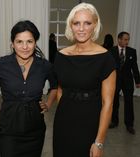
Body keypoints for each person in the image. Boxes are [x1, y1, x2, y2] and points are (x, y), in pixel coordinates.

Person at [53, 3, 116, 157]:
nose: (81, 28)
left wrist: (99, 142)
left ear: (95, 25)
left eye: (87, 23)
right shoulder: (61, 56)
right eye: (76, 23)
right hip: (63, 121)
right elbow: (60, 90)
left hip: (89, 122)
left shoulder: (105, 58)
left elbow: (108, 103)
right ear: (71, 26)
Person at [0, 20, 58, 157]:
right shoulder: (1, 65)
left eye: (29, 41)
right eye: (19, 42)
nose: (25, 47)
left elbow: (55, 87)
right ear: (12, 44)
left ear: (35, 43)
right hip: (9, 131)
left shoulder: (44, 66)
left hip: (35, 131)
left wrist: (48, 104)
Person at [109, 31, 140, 134]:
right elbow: (108, 67)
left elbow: (134, 67)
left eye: (128, 39)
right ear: (119, 39)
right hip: (115, 81)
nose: (127, 41)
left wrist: (137, 80)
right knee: (115, 102)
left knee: (129, 102)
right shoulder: (111, 51)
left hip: (128, 81)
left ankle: (129, 124)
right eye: (125, 39)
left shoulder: (132, 51)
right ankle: (114, 121)